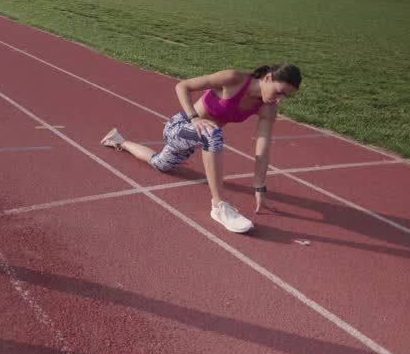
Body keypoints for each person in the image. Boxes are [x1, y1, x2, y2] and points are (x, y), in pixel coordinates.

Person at [100, 64, 302, 234]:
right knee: (213, 134)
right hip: (179, 128)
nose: (279, 99)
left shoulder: (268, 108)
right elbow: (183, 86)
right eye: (279, 92)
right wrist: (194, 119)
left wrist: (259, 188)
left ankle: (119, 141)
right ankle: (219, 206)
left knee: (160, 163)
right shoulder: (233, 78)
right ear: (268, 78)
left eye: (286, 97)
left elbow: (263, 148)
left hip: (197, 139)